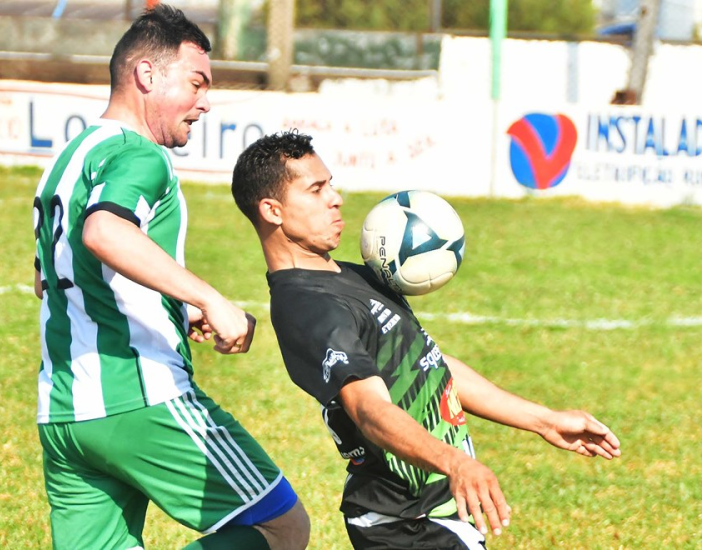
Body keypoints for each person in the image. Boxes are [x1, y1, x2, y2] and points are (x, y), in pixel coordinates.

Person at [230, 130, 621, 549]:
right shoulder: (309, 307)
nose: (336, 198)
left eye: (332, 184)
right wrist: (454, 463)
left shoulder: (354, 275)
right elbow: (368, 409)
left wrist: (544, 420)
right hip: (405, 523)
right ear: (272, 210)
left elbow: (431, 366)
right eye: (316, 189)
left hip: (432, 510)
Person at [31, 7, 309, 550]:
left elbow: (54, 280)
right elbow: (105, 233)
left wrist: (176, 309)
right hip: (141, 397)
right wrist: (210, 297)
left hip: (64, 413)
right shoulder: (140, 155)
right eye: (197, 82)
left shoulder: (64, 161)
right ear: (146, 76)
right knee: (279, 528)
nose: (205, 101)